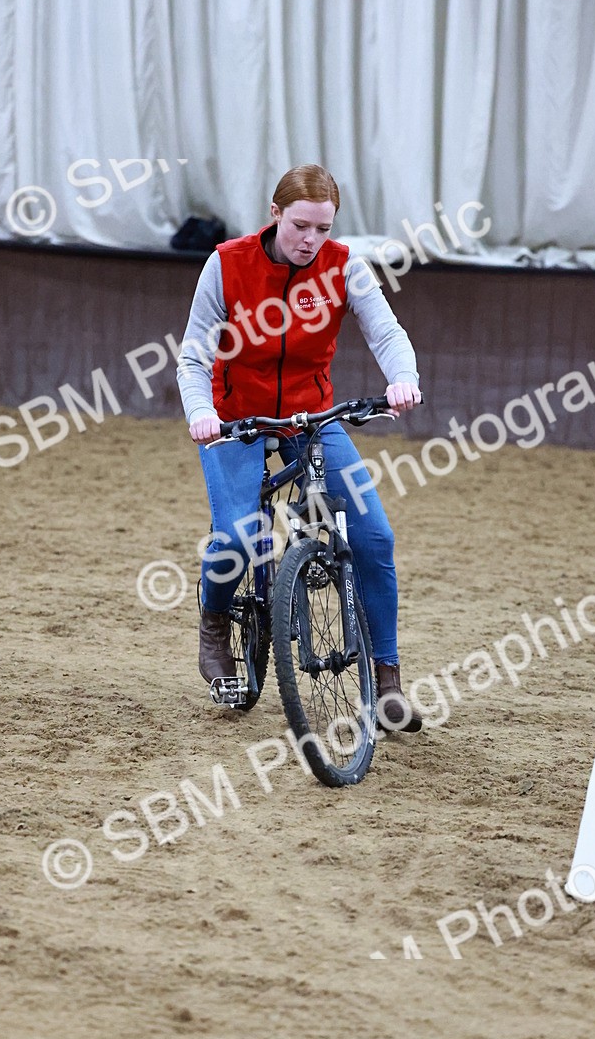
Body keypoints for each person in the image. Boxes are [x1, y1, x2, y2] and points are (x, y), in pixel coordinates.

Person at [176, 164, 423, 732]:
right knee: (239, 536)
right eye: (301, 226)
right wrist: (202, 413)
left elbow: (386, 333)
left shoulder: (343, 267)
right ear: (275, 213)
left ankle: (386, 680)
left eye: (323, 228)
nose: (311, 240)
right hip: (233, 419)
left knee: (373, 535)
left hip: (311, 417)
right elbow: (194, 354)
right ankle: (215, 621)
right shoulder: (227, 263)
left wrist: (402, 378)